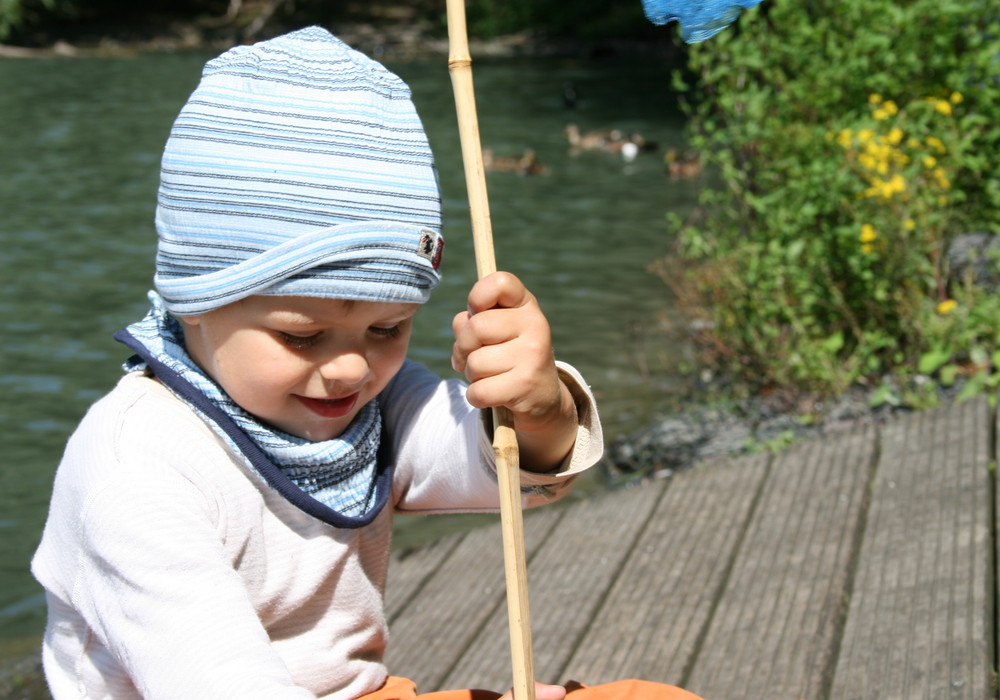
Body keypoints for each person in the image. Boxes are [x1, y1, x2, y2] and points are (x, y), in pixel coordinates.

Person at [31, 26, 703, 700]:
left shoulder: (364, 397)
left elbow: (502, 467)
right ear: (199, 299)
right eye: (302, 336)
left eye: (388, 327)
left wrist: (539, 405)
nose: (352, 368)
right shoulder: (136, 469)